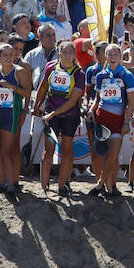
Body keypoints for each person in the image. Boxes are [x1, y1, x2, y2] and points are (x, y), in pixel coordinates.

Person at [36, 40, 85, 198]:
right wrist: (37, 105)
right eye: (64, 52)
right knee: (48, 150)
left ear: (74, 55)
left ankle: (62, 185)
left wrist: (53, 114)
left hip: (69, 115)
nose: (67, 55)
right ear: (59, 53)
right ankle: (44, 187)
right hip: (52, 113)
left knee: (67, 150)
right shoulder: (51, 67)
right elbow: (43, 88)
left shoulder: (79, 73)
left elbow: (73, 100)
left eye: (70, 52)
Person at [0, 42, 31, 199]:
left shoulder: (20, 72)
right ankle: (1, 182)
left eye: (11, 54)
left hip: (11, 113)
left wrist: (11, 86)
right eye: (5, 54)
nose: (8, 57)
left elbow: (27, 93)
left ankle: (11, 185)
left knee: (8, 150)